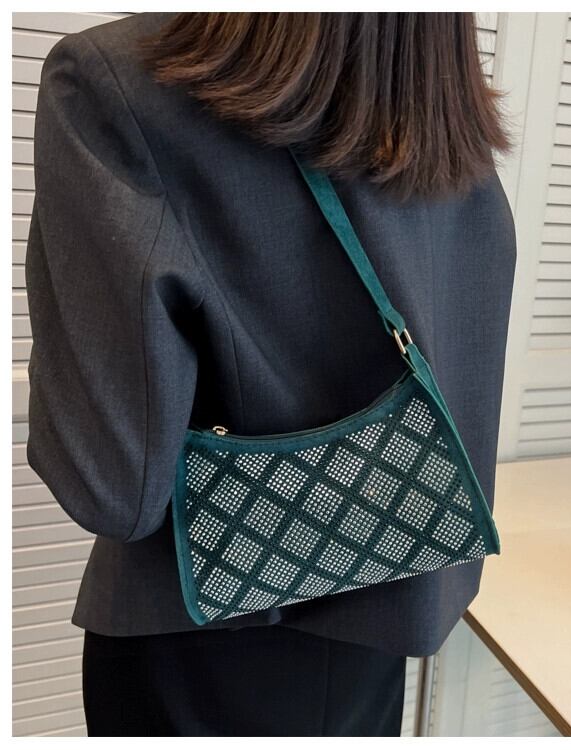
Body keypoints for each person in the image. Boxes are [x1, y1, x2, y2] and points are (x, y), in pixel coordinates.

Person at [25, 11, 516, 737]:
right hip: (384, 613)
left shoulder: (117, 80)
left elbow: (111, 488)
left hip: (199, 649)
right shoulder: (439, 105)